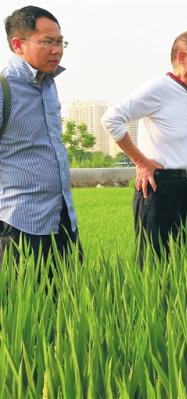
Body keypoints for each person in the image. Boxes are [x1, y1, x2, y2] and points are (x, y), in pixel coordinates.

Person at [101, 31, 187, 262]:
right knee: (154, 262)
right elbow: (111, 119)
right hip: (159, 186)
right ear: (183, 57)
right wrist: (141, 161)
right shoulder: (160, 87)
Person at [0, 6, 81, 267]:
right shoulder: (4, 88)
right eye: (47, 42)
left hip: (63, 221)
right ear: (18, 45)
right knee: (25, 306)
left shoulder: (49, 84)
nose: (57, 50)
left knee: (68, 305)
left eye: (60, 42)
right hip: (19, 226)